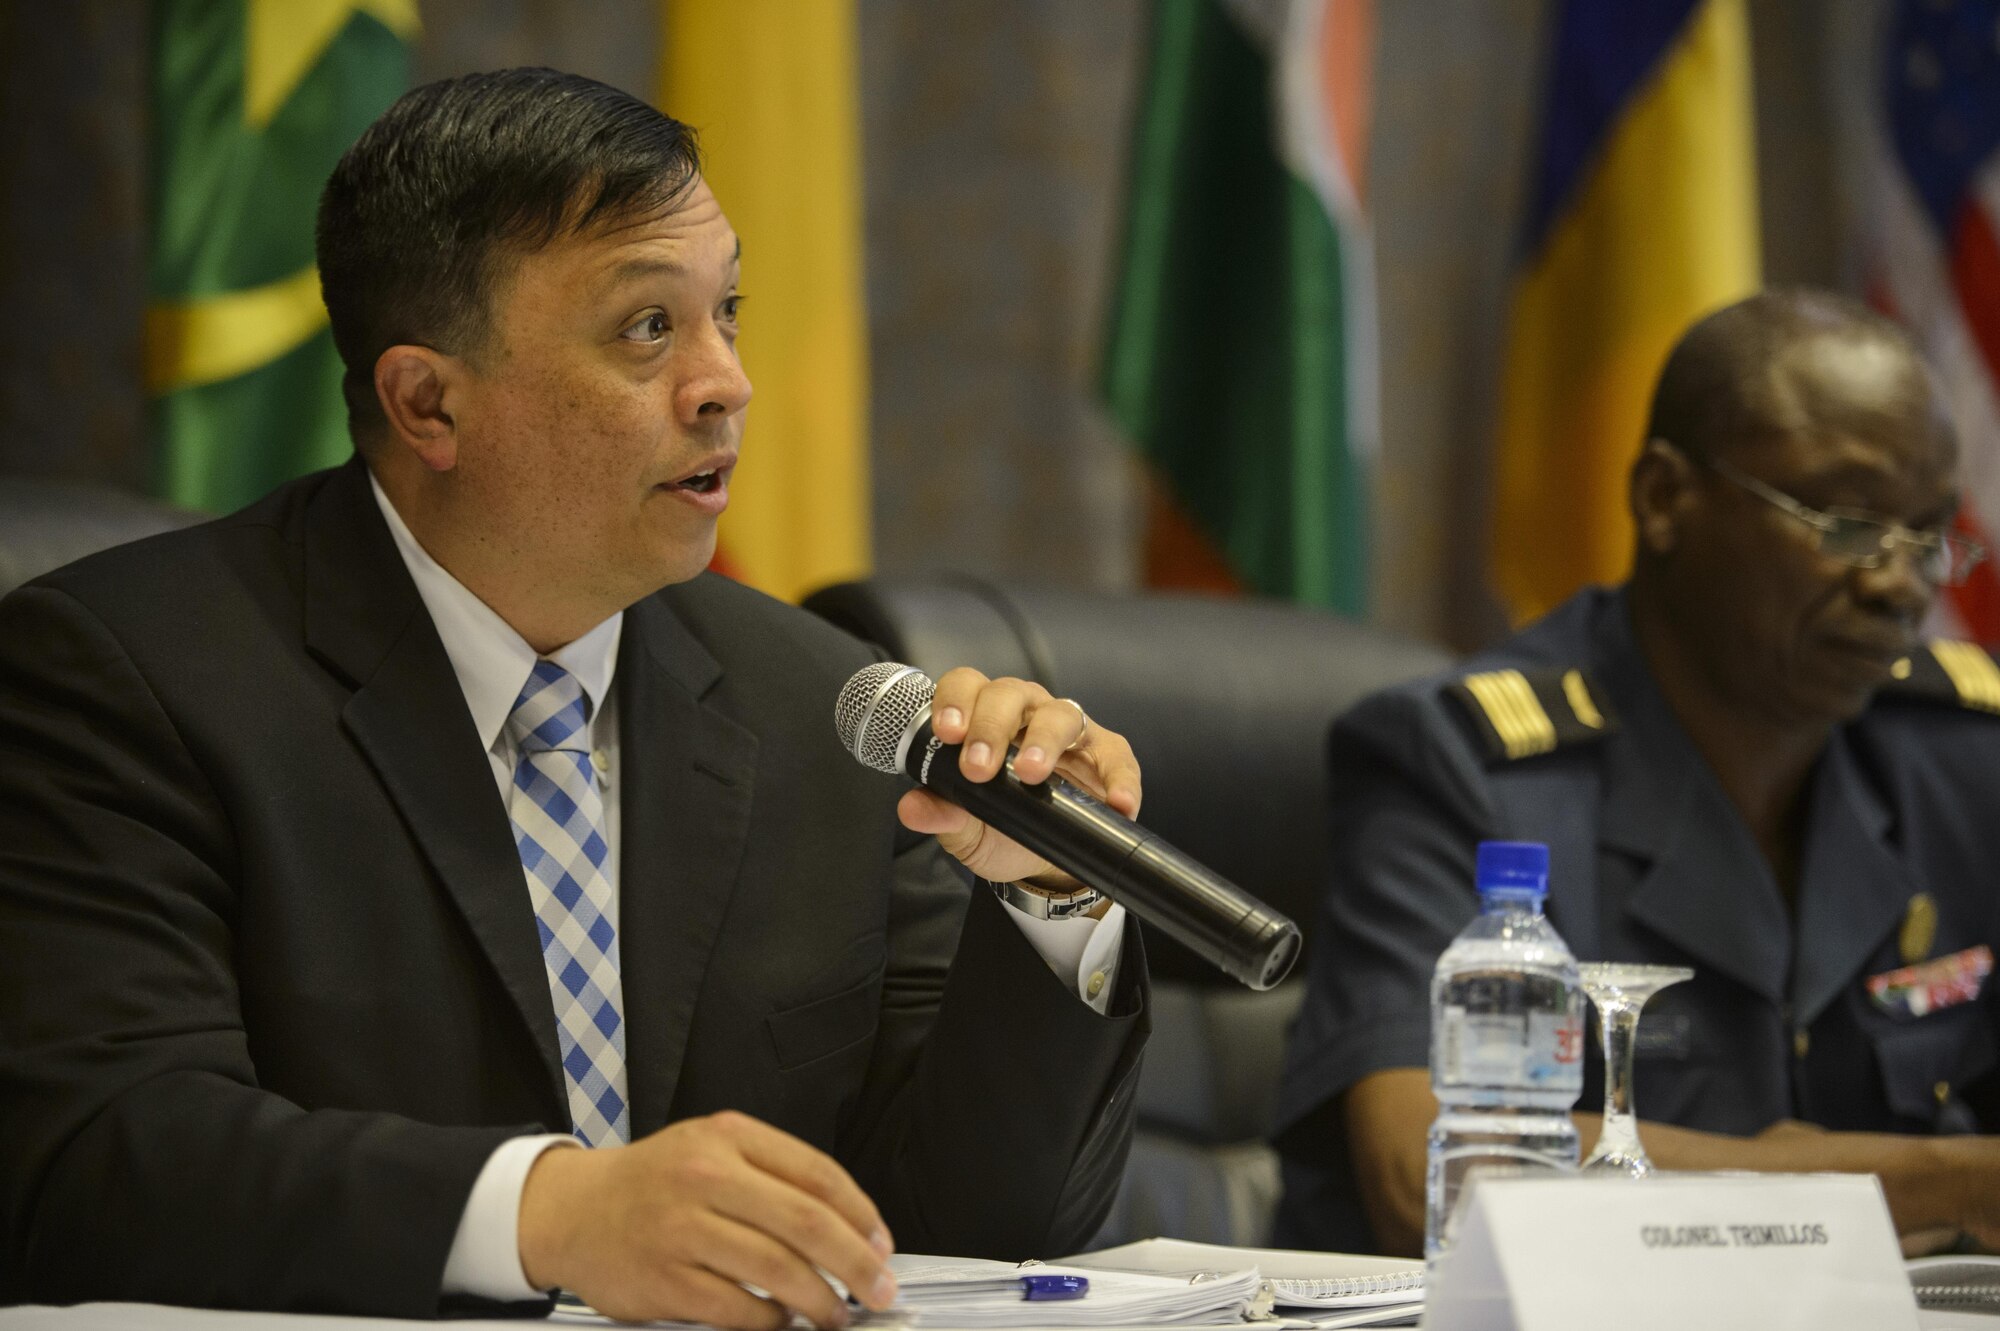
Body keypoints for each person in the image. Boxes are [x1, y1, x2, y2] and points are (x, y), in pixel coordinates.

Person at [0, 70, 1151, 1324]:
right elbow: (102, 1158)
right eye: (647, 329)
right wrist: (551, 1213)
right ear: (427, 401)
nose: (726, 382)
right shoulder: (125, 675)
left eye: (727, 310)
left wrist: (1052, 889)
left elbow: (979, 1229)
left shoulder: (814, 700)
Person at [1272, 289, 2000, 1258]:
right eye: (1845, 523)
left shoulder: (1955, 755)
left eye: (1925, 539)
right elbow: (1435, 1173)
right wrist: (1937, 1184)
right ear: (1662, 497)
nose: (1897, 586)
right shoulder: (1464, 763)